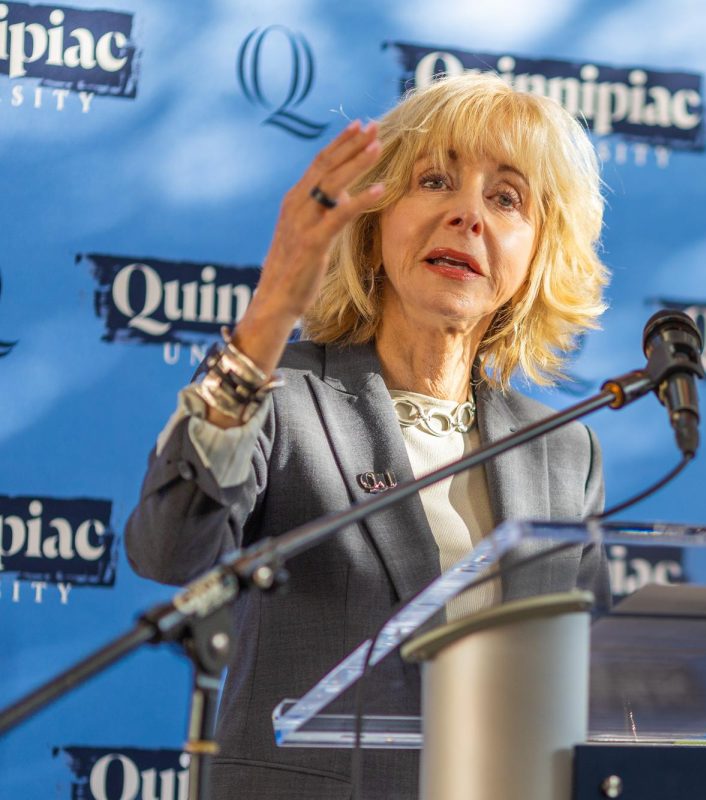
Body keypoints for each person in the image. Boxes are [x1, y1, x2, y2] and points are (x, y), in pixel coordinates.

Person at [125, 73, 610, 800]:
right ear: (373, 218)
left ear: (538, 253)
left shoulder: (565, 451)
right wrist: (268, 316)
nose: (467, 216)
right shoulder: (279, 393)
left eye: (505, 198)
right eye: (435, 180)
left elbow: (585, 690)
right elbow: (168, 550)